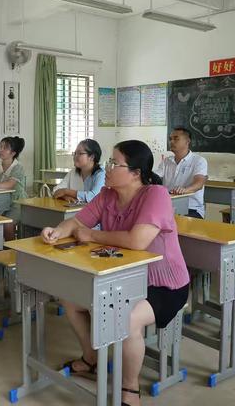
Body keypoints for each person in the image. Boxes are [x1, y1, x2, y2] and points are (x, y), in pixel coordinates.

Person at [41, 140, 190, 406]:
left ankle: (130, 390)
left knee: (127, 319)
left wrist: (91, 235)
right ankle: (91, 358)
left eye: (114, 163)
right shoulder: (108, 195)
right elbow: (76, 222)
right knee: (71, 299)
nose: (107, 168)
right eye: (108, 162)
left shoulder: (156, 195)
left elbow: (137, 241)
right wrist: (56, 231)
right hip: (122, 279)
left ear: (135, 172)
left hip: (164, 285)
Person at [156, 127, 208, 218]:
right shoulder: (166, 161)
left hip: (191, 208)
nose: (171, 142)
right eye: (170, 139)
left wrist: (185, 190)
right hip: (168, 206)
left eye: (176, 138)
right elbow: (155, 177)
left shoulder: (199, 161)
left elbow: (199, 183)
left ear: (187, 141)